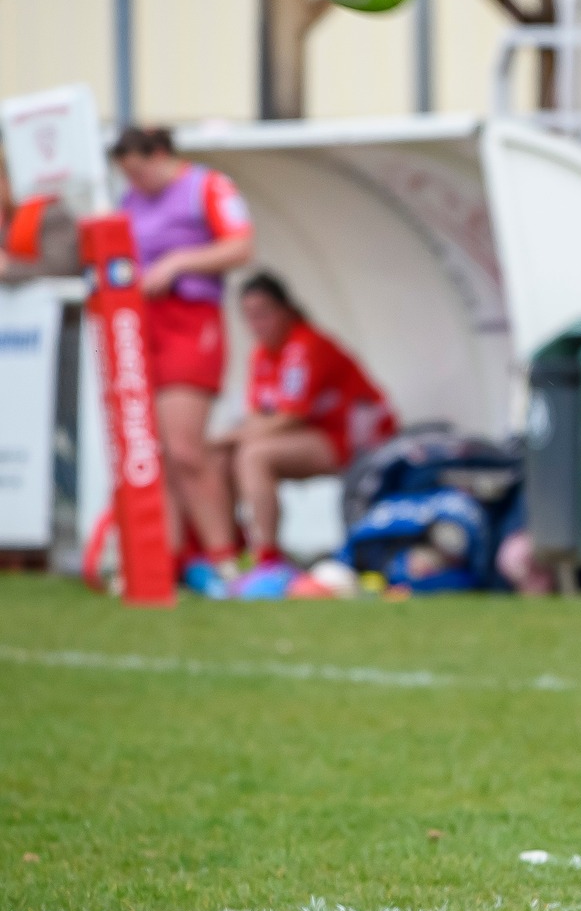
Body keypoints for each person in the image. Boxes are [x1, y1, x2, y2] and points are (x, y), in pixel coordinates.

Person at [112, 126, 255, 595]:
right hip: (140, 322)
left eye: (139, 170)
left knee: (186, 448)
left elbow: (241, 246)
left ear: (160, 156)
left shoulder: (207, 187)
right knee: (150, 450)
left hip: (189, 321)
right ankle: (164, 558)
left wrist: (178, 263)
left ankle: (222, 557)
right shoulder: (129, 200)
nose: (135, 183)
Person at [215, 273, 395, 568]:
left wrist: (229, 436)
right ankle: (225, 554)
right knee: (223, 456)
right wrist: (228, 439)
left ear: (285, 310)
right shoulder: (261, 355)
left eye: (263, 314)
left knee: (253, 455)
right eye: (249, 316)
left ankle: (268, 557)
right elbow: (258, 416)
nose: (256, 324)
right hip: (314, 436)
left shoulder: (305, 345)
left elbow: (290, 417)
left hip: (358, 440)